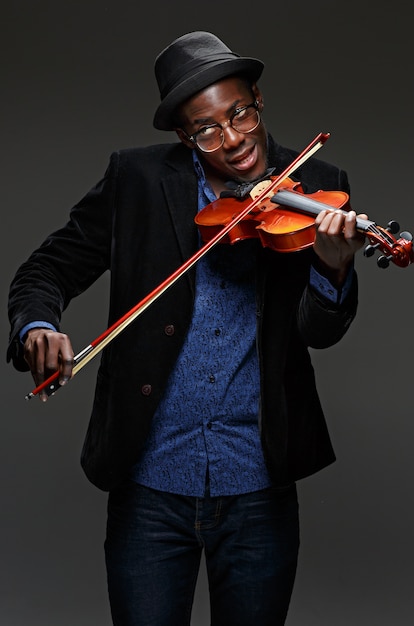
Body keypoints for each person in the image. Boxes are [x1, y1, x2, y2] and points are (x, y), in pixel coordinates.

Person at [7, 31, 367, 626]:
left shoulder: (314, 187)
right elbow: (45, 269)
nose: (233, 140)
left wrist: (333, 265)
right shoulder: (136, 181)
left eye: (239, 114)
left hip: (260, 487)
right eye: (206, 129)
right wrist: (37, 327)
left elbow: (320, 332)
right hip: (148, 487)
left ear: (256, 99)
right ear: (183, 135)